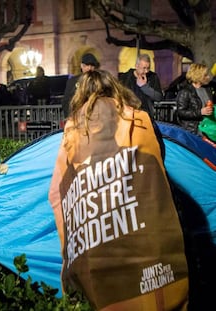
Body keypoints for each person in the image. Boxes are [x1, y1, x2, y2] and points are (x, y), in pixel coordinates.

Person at [48, 70, 189, 310]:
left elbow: (57, 192)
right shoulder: (139, 119)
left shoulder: (72, 130)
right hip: (143, 234)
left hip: (97, 240)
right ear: (116, 89)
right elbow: (157, 165)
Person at [119, 53, 163, 119]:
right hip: (129, 114)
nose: (146, 71)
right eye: (144, 68)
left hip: (146, 115)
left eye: (148, 68)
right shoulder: (125, 78)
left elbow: (159, 97)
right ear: (136, 66)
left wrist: (144, 87)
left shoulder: (153, 77)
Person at [176, 63, 213, 135]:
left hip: (207, 130)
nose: (208, 77)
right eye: (205, 75)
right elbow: (181, 112)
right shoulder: (185, 91)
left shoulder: (207, 89)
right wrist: (200, 112)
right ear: (198, 75)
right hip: (193, 131)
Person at [62, 53, 99, 118]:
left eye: (92, 66)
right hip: (77, 117)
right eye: (87, 65)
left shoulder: (98, 81)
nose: (89, 68)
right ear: (81, 66)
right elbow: (66, 101)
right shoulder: (73, 81)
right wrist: (70, 117)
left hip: (94, 117)